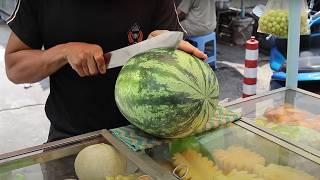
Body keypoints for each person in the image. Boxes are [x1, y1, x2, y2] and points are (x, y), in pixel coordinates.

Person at [4, 0, 207, 143]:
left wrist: (162, 45)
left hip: (145, 135)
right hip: (71, 137)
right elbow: (15, 68)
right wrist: (63, 52)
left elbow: (168, 42)